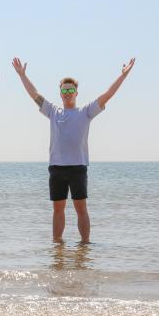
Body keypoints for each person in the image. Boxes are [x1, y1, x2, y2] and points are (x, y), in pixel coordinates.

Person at [12, 56, 136, 242]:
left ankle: (85, 245)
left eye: (71, 89)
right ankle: (57, 246)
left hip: (78, 167)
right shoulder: (53, 111)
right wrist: (22, 75)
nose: (68, 93)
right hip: (57, 167)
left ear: (76, 92)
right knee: (58, 209)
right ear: (60, 93)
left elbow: (108, 94)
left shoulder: (86, 111)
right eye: (64, 90)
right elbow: (34, 94)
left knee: (81, 208)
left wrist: (123, 76)